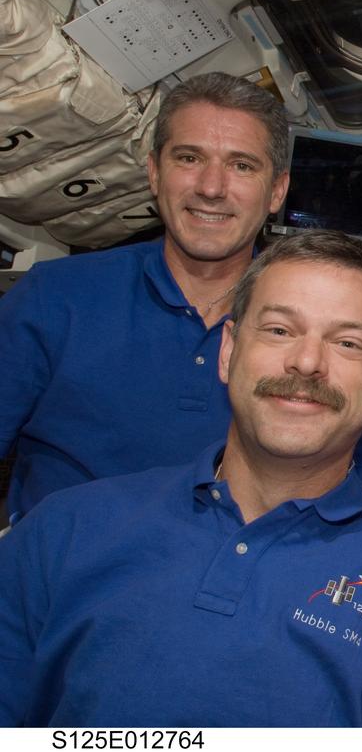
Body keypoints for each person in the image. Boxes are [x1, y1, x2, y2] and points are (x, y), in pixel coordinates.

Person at [0, 230, 362, 727]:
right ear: (227, 351)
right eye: (279, 330)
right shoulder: (64, 532)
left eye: (347, 343)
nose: (307, 362)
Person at [0, 71, 291, 524]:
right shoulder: (55, 296)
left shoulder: (310, 331)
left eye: (241, 165)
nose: (211, 187)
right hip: (59, 582)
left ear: (277, 191)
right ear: (155, 172)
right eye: (190, 157)